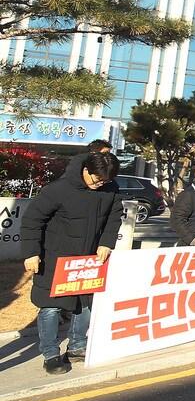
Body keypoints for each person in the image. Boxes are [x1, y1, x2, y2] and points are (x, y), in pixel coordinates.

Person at [20, 152, 120, 374]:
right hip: (54, 257)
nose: (100, 184)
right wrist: (31, 253)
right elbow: (32, 221)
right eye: (97, 180)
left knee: (83, 305)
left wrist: (106, 243)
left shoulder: (110, 190)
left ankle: (77, 347)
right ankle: (51, 354)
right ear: (86, 170)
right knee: (51, 307)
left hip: (88, 260)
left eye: (106, 181)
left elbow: (114, 217)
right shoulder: (58, 189)